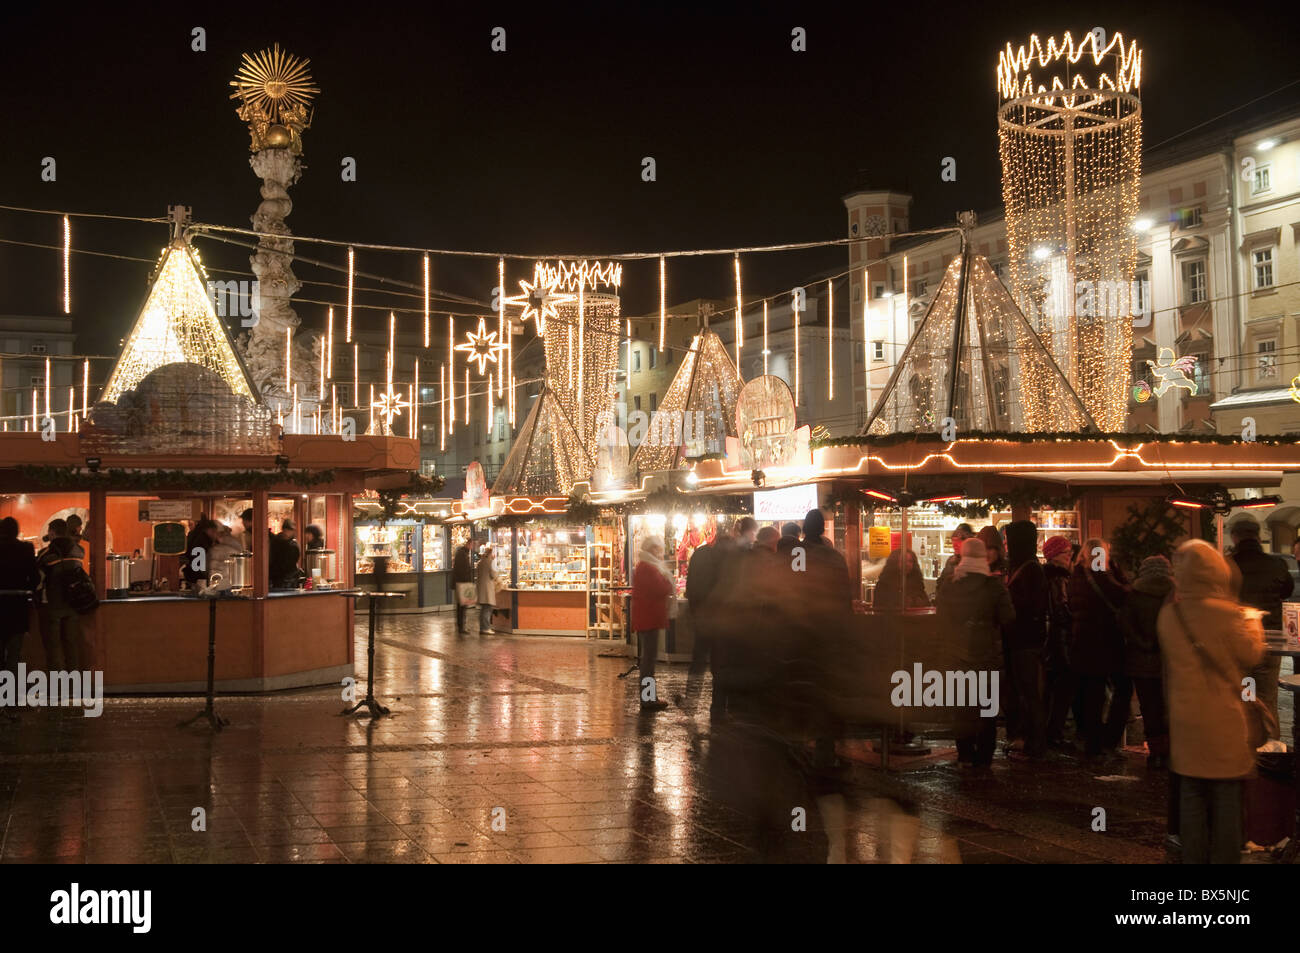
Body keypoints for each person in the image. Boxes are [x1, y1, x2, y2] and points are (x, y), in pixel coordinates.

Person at [1158, 539, 1264, 864]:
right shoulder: (1228, 613)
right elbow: (1252, 654)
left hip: (1184, 721)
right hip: (1224, 722)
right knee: (1227, 801)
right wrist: (1253, 621)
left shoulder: (1169, 614)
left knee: (1191, 798)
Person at [936, 537, 1014, 767]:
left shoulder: (950, 584)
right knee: (986, 709)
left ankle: (965, 754)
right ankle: (984, 757)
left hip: (955, 653)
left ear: (963, 557)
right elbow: (1008, 618)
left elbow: (941, 619)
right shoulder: (994, 586)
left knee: (961, 707)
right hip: (986, 654)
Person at [1229, 520, 1293, 742]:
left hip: (1240, 642)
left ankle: (1247, 744)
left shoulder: (1229, 565)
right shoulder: (1276, 564)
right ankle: (1271, 747)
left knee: (1247, 695)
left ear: (1235, 538)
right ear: (1257, 537)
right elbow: (1287, 589)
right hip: (1271, 641)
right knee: (1267, 698)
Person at [1068, 537, 1130, 759]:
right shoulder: (1101, 576)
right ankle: (1106, 740)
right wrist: (1117, 571)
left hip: (1082, 641)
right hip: (1105, 641)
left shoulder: (1075, 576)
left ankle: (1091, 741)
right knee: (1122, 689)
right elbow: (1123, 594)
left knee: (1091, 693)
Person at [1119, 555, 1173, 769]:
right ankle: (1169, 751)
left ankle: (1155, 751)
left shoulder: (1134, 594)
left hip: (1140, 659)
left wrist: (1142, 643)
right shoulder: (1176, 594)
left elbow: (1124, 623)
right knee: (1167, 705)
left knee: (1149, 706)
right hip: (1168, 660)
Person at [1003, 520, 1047, 759]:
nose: (1006, 545)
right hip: (1023, 641)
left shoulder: (1029, 570)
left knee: (1030, 693)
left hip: (1026, 642)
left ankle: (1035, 745)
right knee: (1026, 692)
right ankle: (1030, 741)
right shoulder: (1025, 567)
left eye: (1009, 540)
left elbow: (1027, 607)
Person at [683, 519, 737, 717]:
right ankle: (718, 705)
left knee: (698, 662)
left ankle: (691, 702)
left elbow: (691, 587)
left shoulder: (700, 555)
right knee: (720, 664)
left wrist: (694, 611)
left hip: (702, 618)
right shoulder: (729, 562)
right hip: (721, 620)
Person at [1043, 535, 1079, 747]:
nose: (1070, 557)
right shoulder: (1059, 578)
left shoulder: (1050, 576)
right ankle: (1054, 732)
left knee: (1052, 688)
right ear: (1056, 556)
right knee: (1063, 687)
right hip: (1060, 641)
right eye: (1067, 553)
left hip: (1053, 640)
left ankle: (1051, 730)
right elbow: (1061, 609)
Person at [631, 535, 673, 712]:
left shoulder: (645, 566)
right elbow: (662, 588)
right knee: (648, 661)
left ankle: (649, 697)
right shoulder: (648, 568)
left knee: (648, 660)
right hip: (649, 619)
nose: (660, 553)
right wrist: (667, 581)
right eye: (657, 549)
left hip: (648, 618)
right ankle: (648, 699)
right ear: (651, 550)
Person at [0, 518, 39, 706]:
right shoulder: (26, 549)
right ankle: (11, 696)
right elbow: (35, 578)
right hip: (17, 604)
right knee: (14, 653)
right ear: (17, 531)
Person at [38, 536, 84, 672]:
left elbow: (38, 581)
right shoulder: (78, 553)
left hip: (51, 605)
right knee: (71, 646)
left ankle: (57, 686)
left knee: (53, 647)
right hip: (72, 603)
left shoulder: (46, 555)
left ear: (52, 532)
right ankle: (73, 684)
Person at [936, 523, 975, 596]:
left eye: (959, 541)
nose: (955, 544)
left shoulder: (974, 562)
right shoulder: (951, 561)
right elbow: (941, 582)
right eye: (953, 540)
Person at [182, 518, 219, 587]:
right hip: (199, 575)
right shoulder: (204, 540)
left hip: (191, 573)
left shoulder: (193, 535)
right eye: (214, 532)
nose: (215, 535)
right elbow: (201, 562)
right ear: (209, 530)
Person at [268, 519, 302, 589]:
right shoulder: (276, 541)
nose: (288, 533)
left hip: (289, 578)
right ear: (283, 529)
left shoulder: (293, 544)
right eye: (287, 530)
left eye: (290, 530)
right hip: (276, 577)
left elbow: (292, 562)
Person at [452, 538, 474, 635]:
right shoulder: (462, 554)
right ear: (468, 544)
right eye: (472, 544)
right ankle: (461, 627)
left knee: (462, 605)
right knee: (462, 606)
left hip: (461, 583)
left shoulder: (463, 553)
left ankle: (461, 626)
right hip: (462, 583)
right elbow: (462, 570)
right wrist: (467, 582)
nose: (472, 547)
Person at [476, 545, 498, 634]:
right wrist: (497, 573)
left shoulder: (480, 562)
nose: (494, 556)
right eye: (493, 554)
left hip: (481, 589)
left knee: (483, 609)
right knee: (487, 609)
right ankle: (485, 628)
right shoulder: (489, 563)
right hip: (487, 589)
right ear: (490, 554)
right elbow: (493, 575)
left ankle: (482, 628)